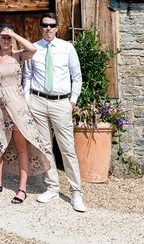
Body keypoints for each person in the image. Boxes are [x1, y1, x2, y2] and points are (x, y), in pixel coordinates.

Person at [22, 12, 86, 212]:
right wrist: (27, 100)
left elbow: (77, 76)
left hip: (61, 103)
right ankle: (52, 187)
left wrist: (72, 101)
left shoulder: (68, 48)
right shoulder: (34, 48)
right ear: (40, 27)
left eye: (52, 25)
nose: (48, 28)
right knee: (45, 148)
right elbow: (28, 76)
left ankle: (76, 193)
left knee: (67, 148)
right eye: (44, 25)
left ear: (57, 28)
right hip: (38, 101)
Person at [0, 24, 50, 205]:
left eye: (8, 37)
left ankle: (22, 189)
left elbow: (33, 49)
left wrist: (13, 34)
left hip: (17, 104)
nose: (5, 40)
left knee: (21, 146)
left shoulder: (19, 56)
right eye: (2, 37)